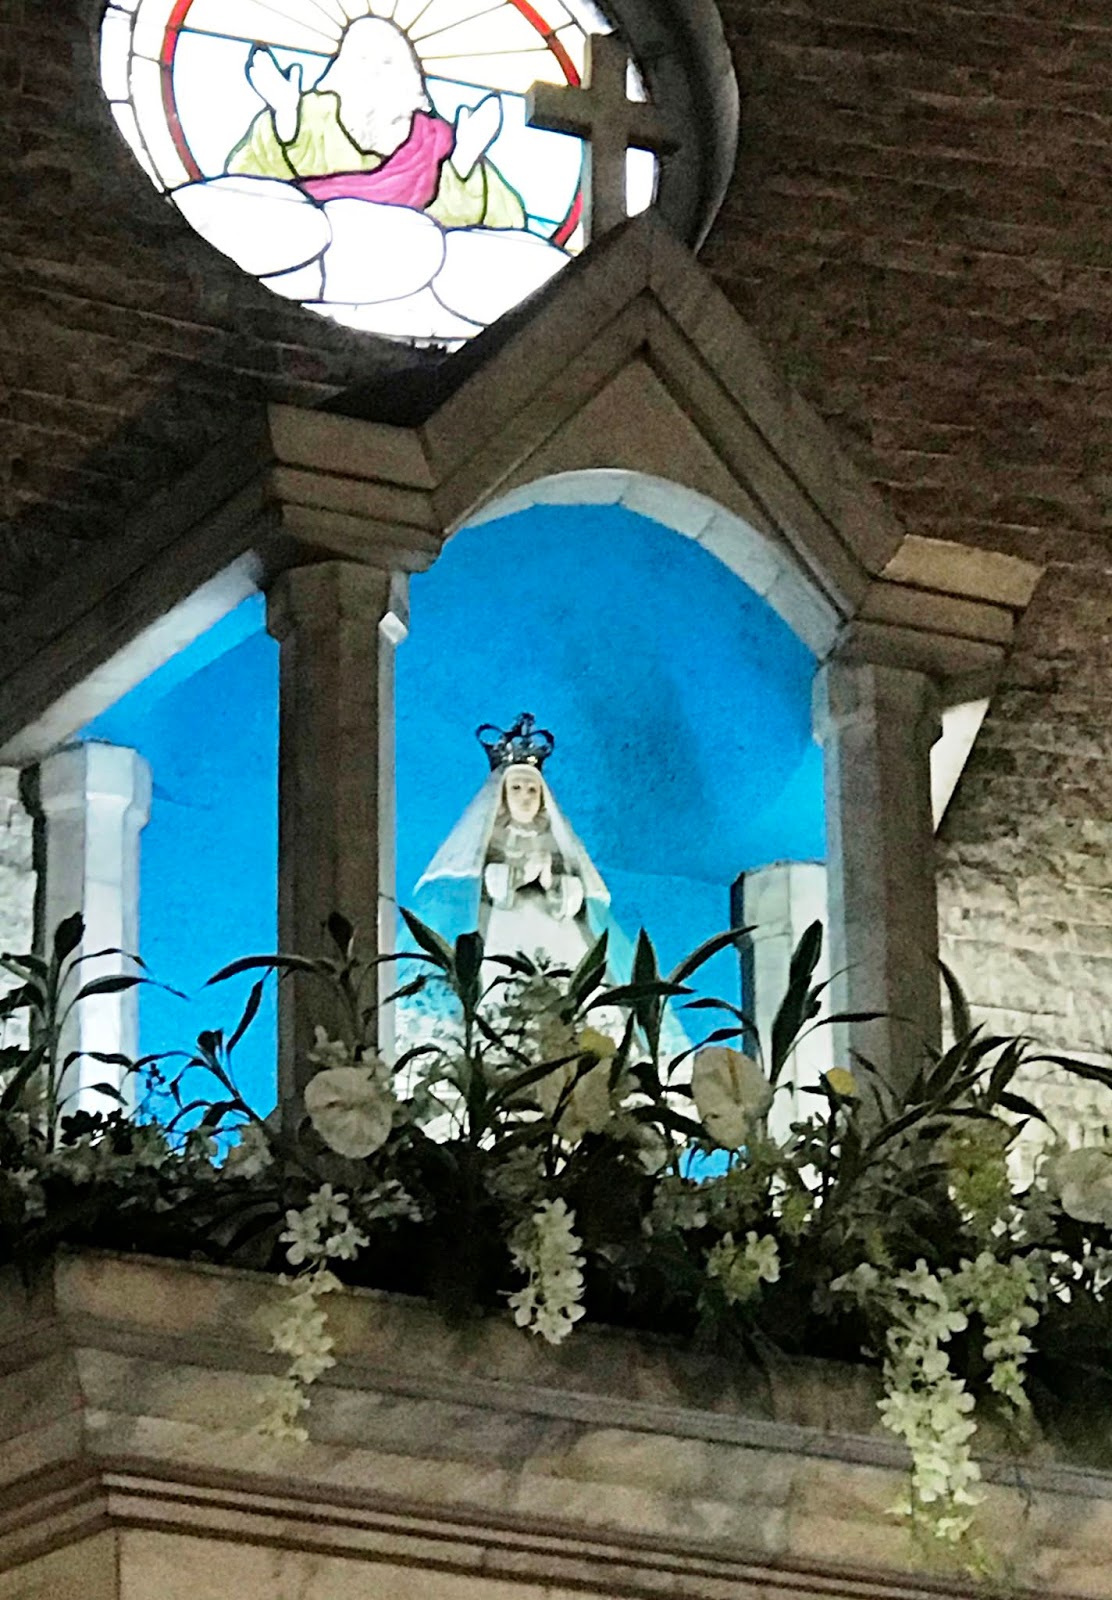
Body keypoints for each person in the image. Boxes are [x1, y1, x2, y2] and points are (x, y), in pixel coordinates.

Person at [226, 16, 526, 230]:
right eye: (362, 59)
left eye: (387, 63)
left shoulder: (437, 141)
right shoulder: (311, 115)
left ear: (409, 76)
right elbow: (244, 185)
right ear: (341, 69)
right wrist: (285, 118)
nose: (373, 73)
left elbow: (504, 222)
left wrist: (463, 160)